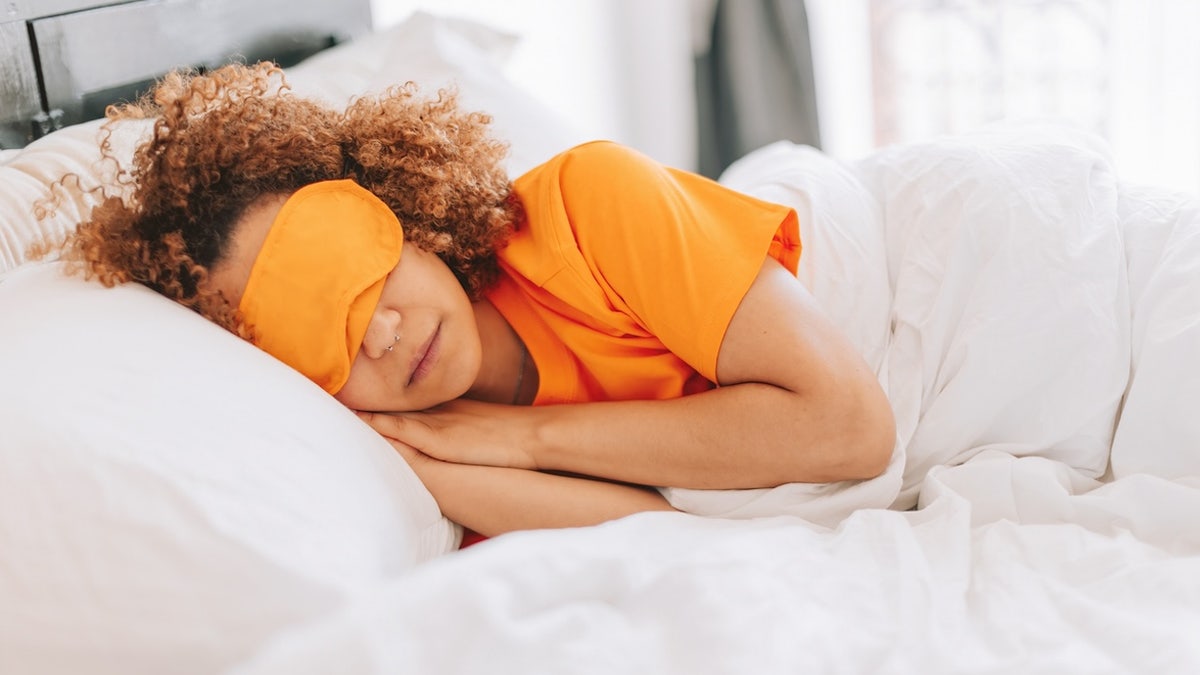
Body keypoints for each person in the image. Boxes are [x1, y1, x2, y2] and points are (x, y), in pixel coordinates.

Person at [59, 63, 896, 537]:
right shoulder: (427, 450)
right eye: (323, 336)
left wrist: (524, 436)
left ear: (398, 208)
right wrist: (435, 464)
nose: (382, 332)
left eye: (364, 270)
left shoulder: (586, 202)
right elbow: (670, 536)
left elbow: (852, 426)